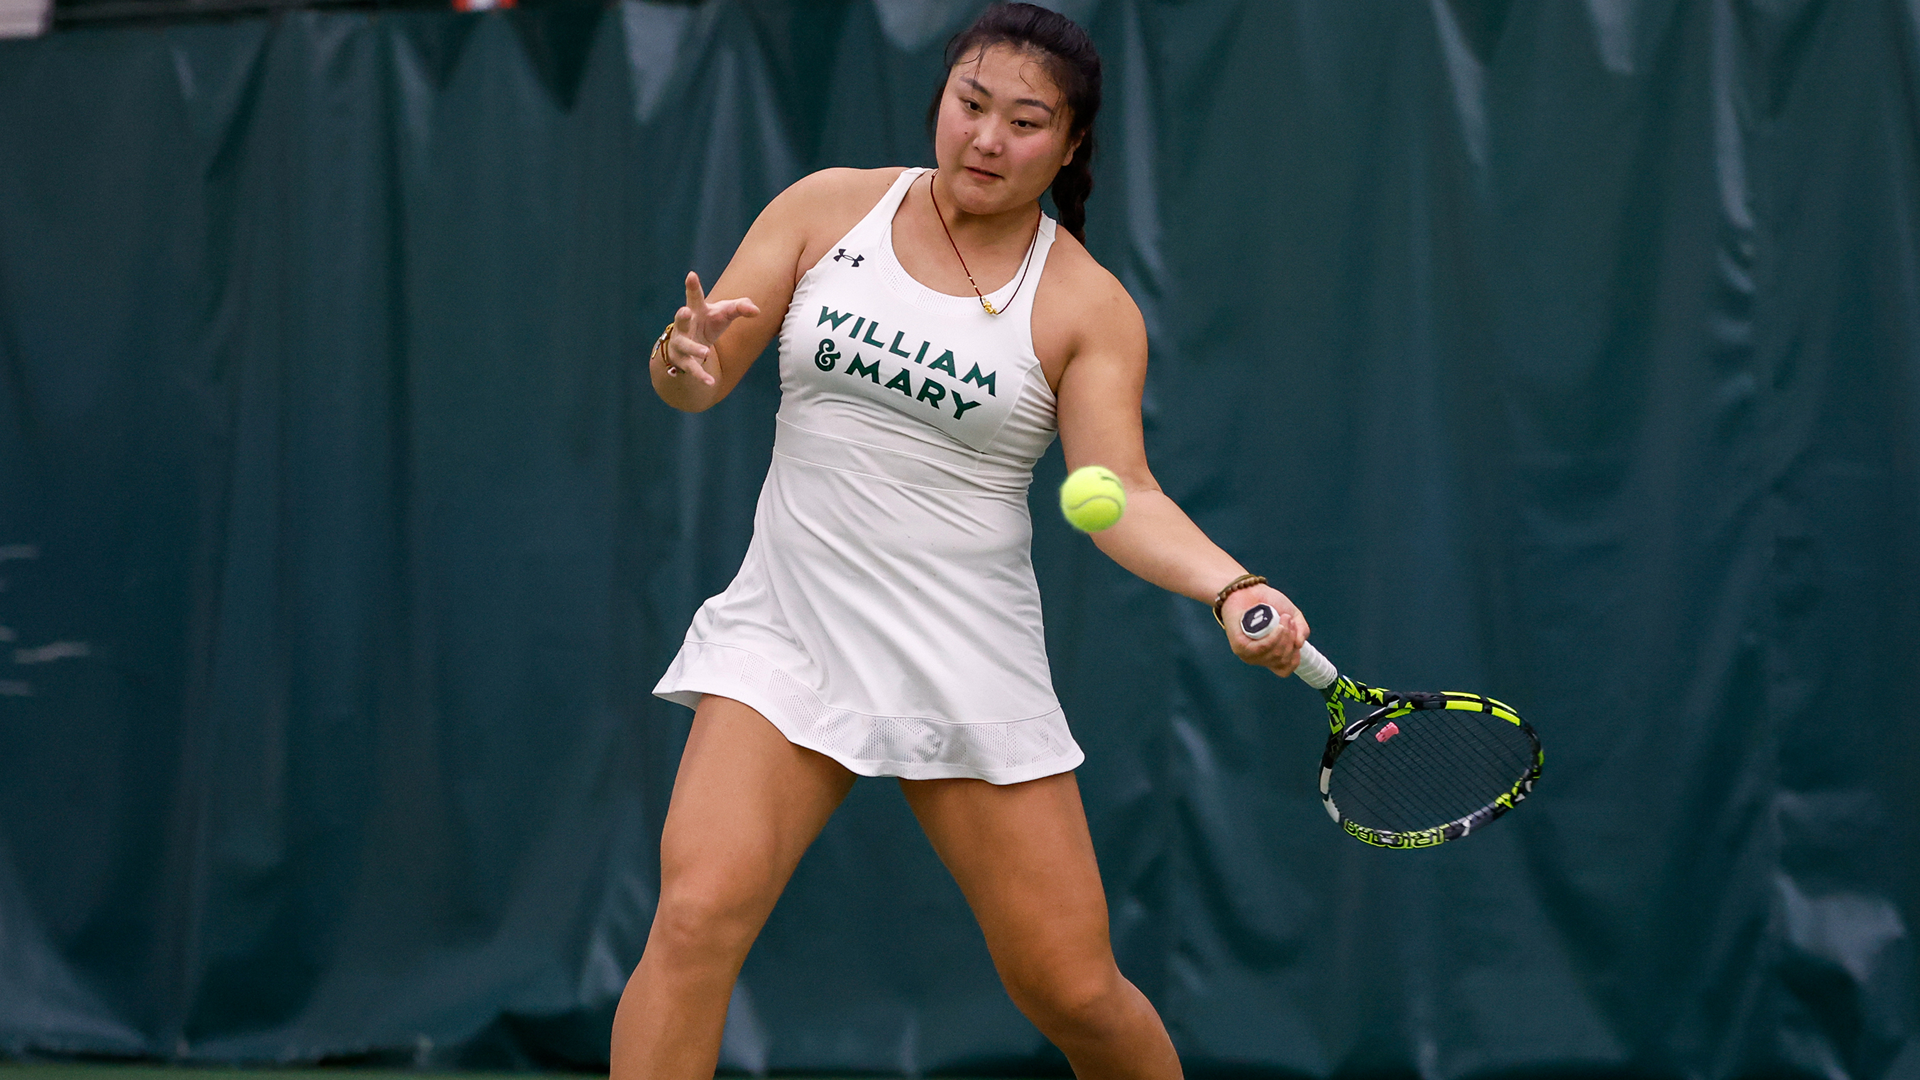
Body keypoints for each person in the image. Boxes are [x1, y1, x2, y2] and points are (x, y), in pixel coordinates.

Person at [614, 6, 1309, 1079]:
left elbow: (1115, 490)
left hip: (963, 654)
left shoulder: (1087, 305)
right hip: (787, 630)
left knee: (1073, 990)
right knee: (695, 919)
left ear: (1071, 145)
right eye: (970, 104)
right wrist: (680, 360)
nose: (986, 138)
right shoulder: (826, 207)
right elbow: (697, 376)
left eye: (1025, 122)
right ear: (941, 98)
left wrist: (1231, 587)